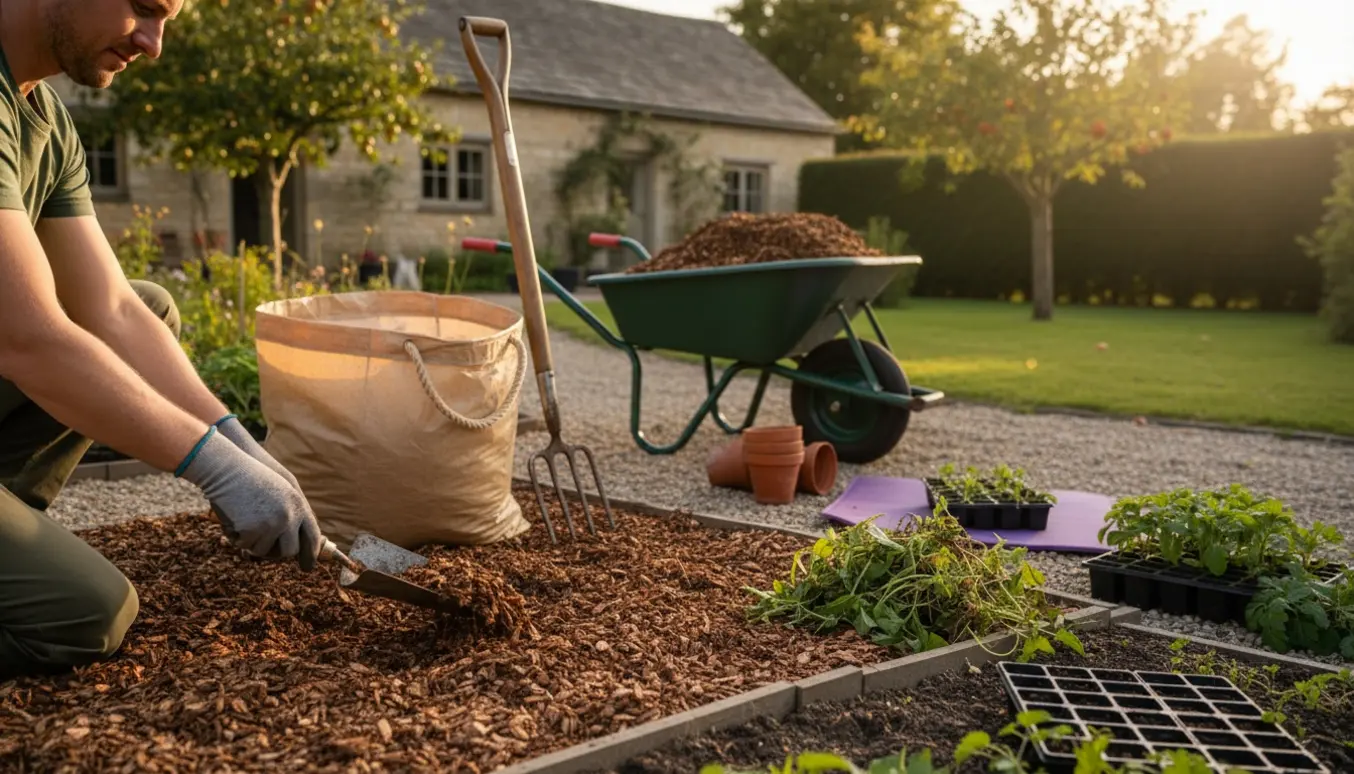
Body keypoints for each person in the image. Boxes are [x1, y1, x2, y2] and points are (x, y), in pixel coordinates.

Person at [0, 0, 324, 679]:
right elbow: (27, 338)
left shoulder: (42, 117)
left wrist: (238, 444)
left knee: (149, 304)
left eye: (168, 19)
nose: (153, 44)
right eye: (144, 8)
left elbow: (113, 310)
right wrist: (214, 468)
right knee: (88, 612)